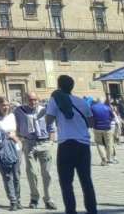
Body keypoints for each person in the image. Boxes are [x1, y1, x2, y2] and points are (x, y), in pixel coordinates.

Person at [45, 76, 96, 214]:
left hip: (66, 143)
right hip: (83, 144)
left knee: (66, 183)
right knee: (86, 180)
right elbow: (91, 122)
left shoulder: (55, 99)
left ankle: (71, 211)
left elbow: (48, 120)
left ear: (59, 86)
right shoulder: (82, 102)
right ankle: (92, 210)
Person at [13, 93, 56, 210]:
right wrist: (20, 138)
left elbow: (52, 128)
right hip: (29, 144)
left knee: (47, 173)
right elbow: (14, 124)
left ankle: (48, 198)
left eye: (35, 100)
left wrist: (51, 143)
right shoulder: (19, 111)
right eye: (30, 100)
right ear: (26, 100)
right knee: (31, 173)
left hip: (44, 143)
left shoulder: (45, 110)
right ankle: (34, 198)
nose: (33, 102)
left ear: (38, 99)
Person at [0, 97, 21, 211]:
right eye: (3, 105)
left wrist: (13, 136)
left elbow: (12, 130)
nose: (5, 107)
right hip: (2, 149)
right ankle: (13, 201)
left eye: (7, 105)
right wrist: (7, 133)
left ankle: (18, 199)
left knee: (16, 175)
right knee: (7, 176)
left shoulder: (12, 116)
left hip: (16, 148)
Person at [89, 98, 116, 166]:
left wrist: (91, 125)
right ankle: (109, 159)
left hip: (97, 127)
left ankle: (104, 159)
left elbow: (90, 117)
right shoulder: (107, 107)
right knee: (109, 143)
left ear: (96, 101)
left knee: (99, 143)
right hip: (107, 127)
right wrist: (108, 122)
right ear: (102, 101)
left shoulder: (92, 107)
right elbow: (112, 117)